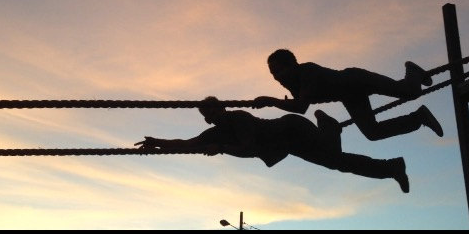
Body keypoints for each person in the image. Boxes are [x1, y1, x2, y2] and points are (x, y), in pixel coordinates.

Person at [135, 97, 411, 193]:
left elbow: (249, 147)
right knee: (338, 163)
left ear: (222, 109)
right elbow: (188, 144)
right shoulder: (214, 134)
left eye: (214, 112)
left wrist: (222, 149)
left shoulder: (239, 118)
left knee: (334, 155)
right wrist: (157, 143)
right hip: (288, 144)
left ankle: (326, 122)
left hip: (292, 128)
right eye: (207, 116)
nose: (211, 118)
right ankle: (392, 167)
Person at [253, 49, 443, 141]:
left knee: (409, 92)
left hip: (355, 80)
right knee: (373, 133)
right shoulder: (293, 83)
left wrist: (270, 101)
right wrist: (281, 102)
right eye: (273, 74)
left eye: (278, 71)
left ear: (292, 65)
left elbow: (301, 107)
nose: (276, 77)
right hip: (350, 96)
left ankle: (412, 71)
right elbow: (299, 104)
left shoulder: (307, 72)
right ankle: (419, 117)